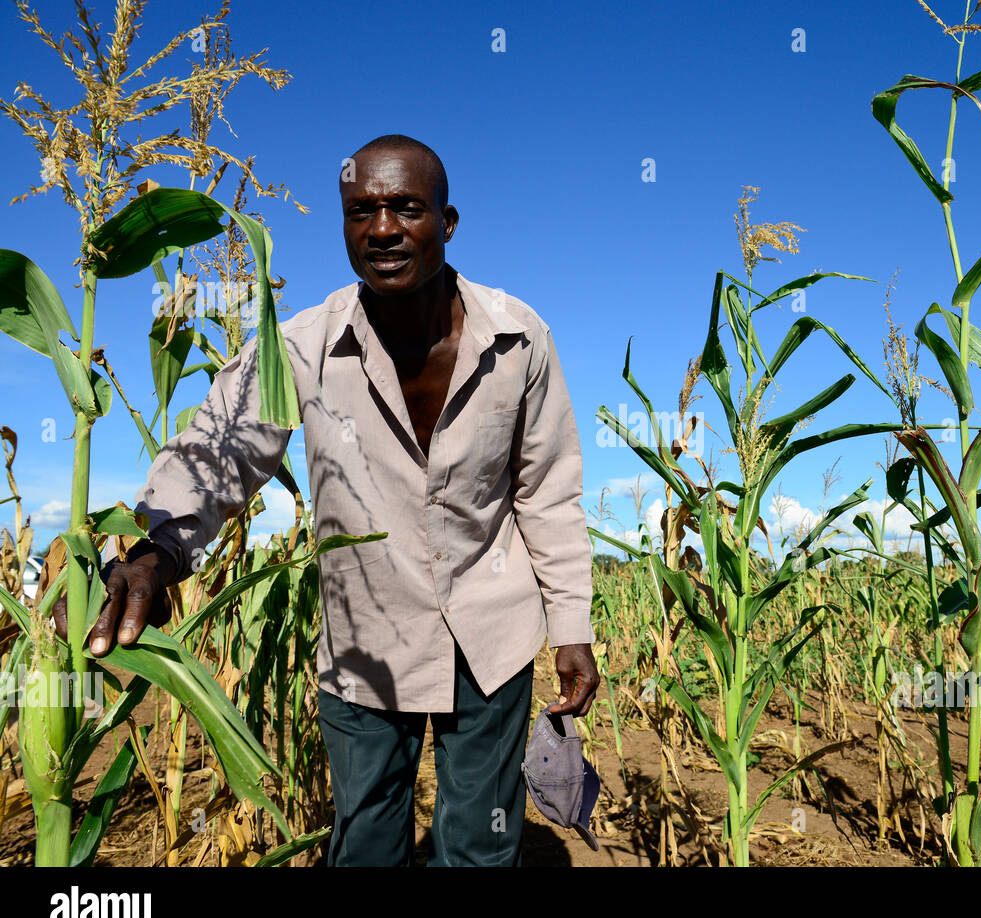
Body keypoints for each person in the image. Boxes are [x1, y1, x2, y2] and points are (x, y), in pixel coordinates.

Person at [54, 133, 600, 866]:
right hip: (364, 643)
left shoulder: (518, 338)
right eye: (360, 211)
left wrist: (572, 626)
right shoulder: (302, 346)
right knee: (366, 847)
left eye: (405, 207)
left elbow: (547, 492)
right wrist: (155, 550)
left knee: (478, 847)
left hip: (490, 636)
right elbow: (219, 451)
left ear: (448, 221)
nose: (381, 229)